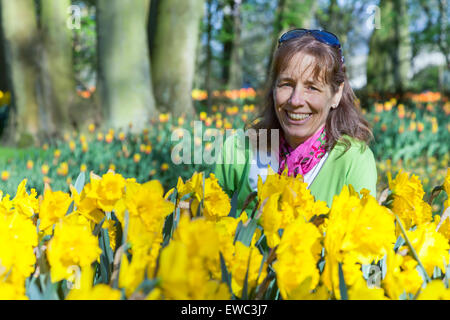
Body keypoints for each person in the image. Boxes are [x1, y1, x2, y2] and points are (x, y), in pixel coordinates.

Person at [214, 28, 377, 215]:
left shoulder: (353, 161)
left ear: (336, 94)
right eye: (286, 84)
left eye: (312, 87)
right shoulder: (238, 150)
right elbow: (206, 228)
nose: (295, 100)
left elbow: (362, 239)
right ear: (273, 88)